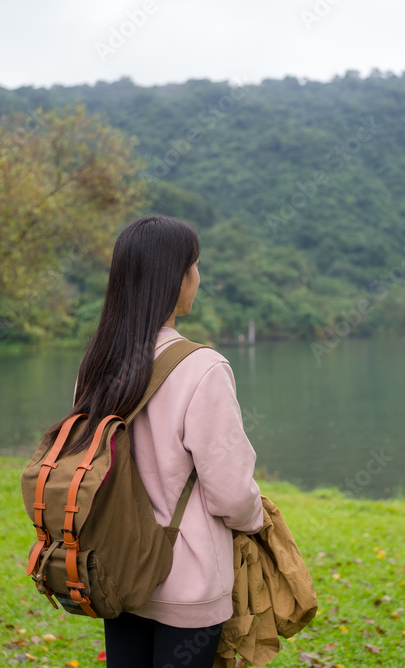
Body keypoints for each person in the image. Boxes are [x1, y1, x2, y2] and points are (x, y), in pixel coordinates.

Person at [64, 215, 264, 667]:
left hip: (117, 569)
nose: (199, 277)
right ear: (175, 279)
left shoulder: (94, 364)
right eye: (194, 266)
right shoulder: (203, 368)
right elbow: (231, 494)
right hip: (187, 583)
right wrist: (257, 520)